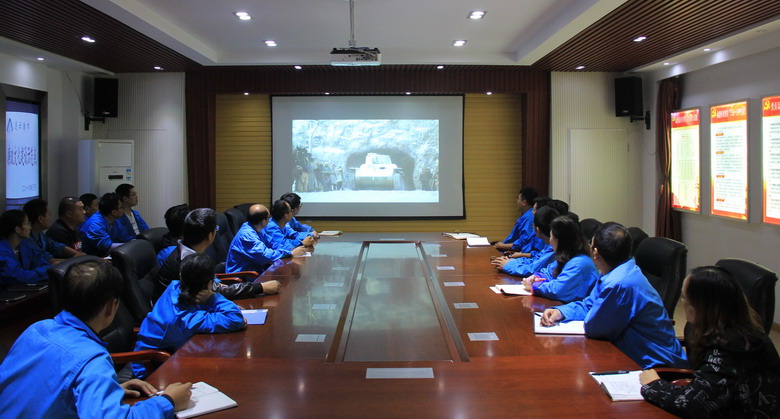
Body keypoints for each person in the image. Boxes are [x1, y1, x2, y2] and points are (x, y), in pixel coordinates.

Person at [0, 260, 191, 417]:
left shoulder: (37, 328)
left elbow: (43, 390)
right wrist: (168, 401)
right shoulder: (92, 360)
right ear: (111, 306)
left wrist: (111, 389)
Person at [540, 222, 687, 369]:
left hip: (656, 367)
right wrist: (561, 312)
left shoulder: (619, 283)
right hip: (629, 354)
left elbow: (595, 328)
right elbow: (589, 304)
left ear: (595, 253)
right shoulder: (613, 272)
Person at [639, 266, 780, 417]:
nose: (682, 301)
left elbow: (692, 404)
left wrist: (654, 384)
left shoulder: (729, 346)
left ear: (701, 305)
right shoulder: (735, 329)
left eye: (684, 297)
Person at [133, 253, 246, 379]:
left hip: (177, 352)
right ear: (209, 284)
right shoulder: (185, 319)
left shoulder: (175, 286)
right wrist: (214, 297)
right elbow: (235, 318)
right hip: (151, 371)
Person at [158, 208, 279, 300]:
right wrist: (260, 287)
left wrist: (217, 284)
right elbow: (211, 293)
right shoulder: (190, 262)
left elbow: (213, 289)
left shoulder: (189, 252)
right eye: (216, 228)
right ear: (210, 235)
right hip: (177, 314)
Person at [522, 215, 598, 303]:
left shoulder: (580, 263)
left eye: (551, 236)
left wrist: (535, 285)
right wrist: (536, 277)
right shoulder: (568, 255)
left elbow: (557, 290)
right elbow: (549, 272)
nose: (550, 241)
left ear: (559, 240)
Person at [227, 204, 306, 274]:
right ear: (263, 221)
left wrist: (292, 249)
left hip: (257, 270)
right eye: (268, 218)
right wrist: (290, 253)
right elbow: (266, 255)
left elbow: (273, 244)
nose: (269, 220)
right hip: (243, 276)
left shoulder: (257, 228)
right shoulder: (247, 236)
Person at [492, 206, 559, 277]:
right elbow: (534, 260)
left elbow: (532, 270)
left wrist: (507, 265)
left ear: (537, 229)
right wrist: (510, 262)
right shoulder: (548, 245)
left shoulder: (553, 248)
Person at [0, 209, 51, 284]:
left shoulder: (24, 245)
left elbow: (40, 261)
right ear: (17, 229)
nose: (30, 227)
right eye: (27, 224)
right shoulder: (2, 251)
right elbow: (20, 276)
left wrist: (48, 268)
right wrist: (48, 270)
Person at [495, 187, 544, 254]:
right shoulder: (526, 216)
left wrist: (502, 246)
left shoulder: (528, 218)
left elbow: (522, 243)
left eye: (518, 198)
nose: (517, 201)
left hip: (514, 252)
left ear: (524, 202)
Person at [80, 192, 126, 257]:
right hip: (93, 259)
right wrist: (131, 246)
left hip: (108, 256)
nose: (123, 210)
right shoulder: (95, 224)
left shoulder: (115, 219)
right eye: (121, 207)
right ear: (114, 212)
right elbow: (108, 247)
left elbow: (124, 239)